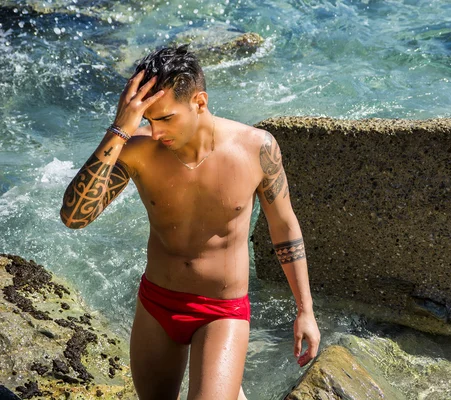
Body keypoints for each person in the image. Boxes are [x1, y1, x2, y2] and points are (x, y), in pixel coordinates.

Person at [60, 45, 320, 400]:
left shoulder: (256, 148)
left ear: (199, 101)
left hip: (221, 311)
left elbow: (284, 227)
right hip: (157, 303)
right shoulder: (138, 149)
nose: (155, 132)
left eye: (165, 118)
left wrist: (305, 311)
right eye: (147, 120)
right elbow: (74, 218)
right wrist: (120, 129)